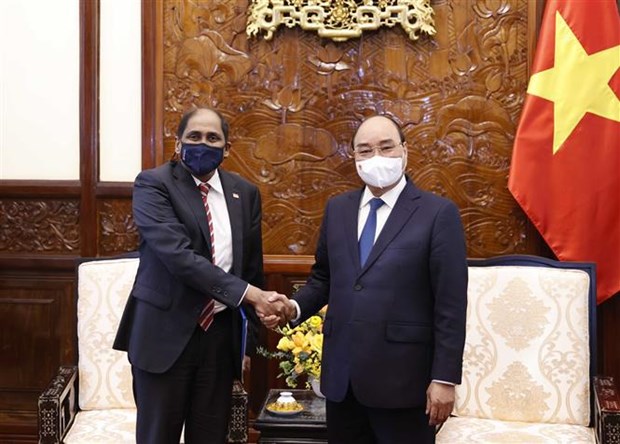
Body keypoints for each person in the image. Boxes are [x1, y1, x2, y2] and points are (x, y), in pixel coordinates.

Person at [266, 115, 468, 443]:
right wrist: (292, 306)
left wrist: (444, 378)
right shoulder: (338, 209)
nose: (375, 157)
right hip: (343, 381)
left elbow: (451, 303)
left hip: (405, 382)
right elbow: (323, 279)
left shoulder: (437, 214)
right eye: (365, 150)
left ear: (405, 151)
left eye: (386, 147)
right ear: (355, 158)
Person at [113, 107, 287, 444]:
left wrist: (246, 344)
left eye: (212, 138)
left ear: (227, 147)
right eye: (194, 137)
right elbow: (179, 258)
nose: (202, 144)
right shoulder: (153, 184)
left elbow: (251, 267)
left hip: (219, 340)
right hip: (163, 335)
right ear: (178, 144)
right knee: (156, 437)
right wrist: (250, 294)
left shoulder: (245, 193)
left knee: (210, 436)